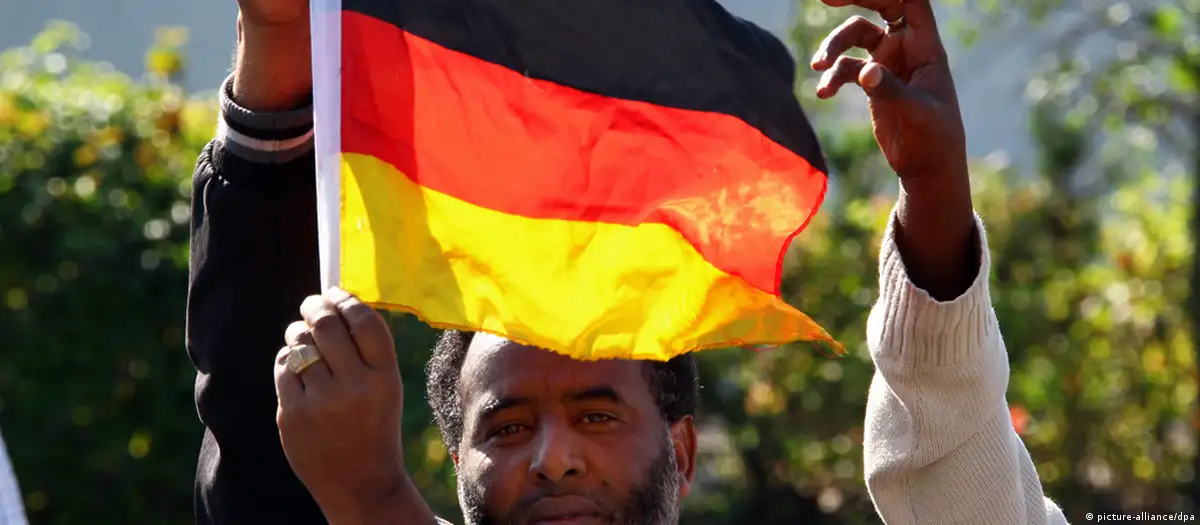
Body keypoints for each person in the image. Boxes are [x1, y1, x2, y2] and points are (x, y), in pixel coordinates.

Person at [186, 0, 1072, 523]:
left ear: (681, 452)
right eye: (505, 427)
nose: (554, 458)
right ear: (454, 462)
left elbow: (964, 491)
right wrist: (280, 36)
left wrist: (938, 202)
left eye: (598, 413)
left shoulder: (371, 501)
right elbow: (258, 436)